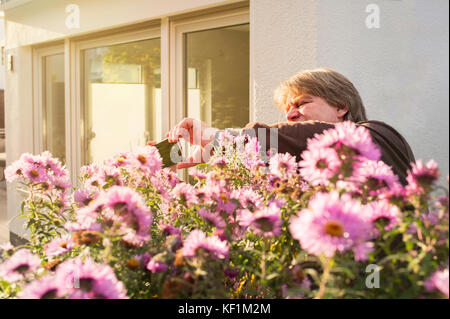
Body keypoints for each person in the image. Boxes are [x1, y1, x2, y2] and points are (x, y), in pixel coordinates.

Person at [166, 68, 415, 185]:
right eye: (286, 109)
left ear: (341, 107)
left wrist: (217, 138)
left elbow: (304, 136)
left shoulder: (379, 134)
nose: (290, 115)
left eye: (301, 103)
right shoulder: (296, 166)